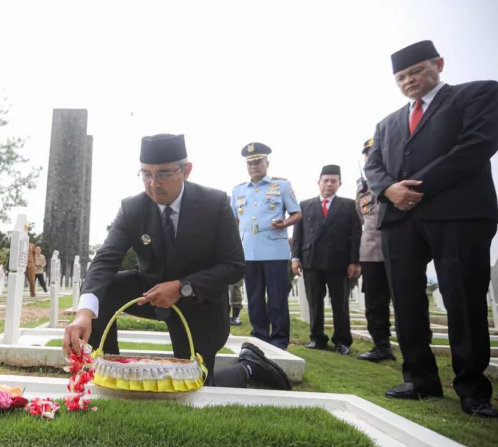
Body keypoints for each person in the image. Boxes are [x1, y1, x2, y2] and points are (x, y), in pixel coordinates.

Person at [62, 133, 291, 390]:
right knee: (106, 290)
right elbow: (105, 260)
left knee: (196, 384)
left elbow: (234, 266)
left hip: (199, 302)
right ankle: (109, 368)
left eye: (163, 174)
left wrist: (182, 286)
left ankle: (249, 367)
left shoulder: (214, 204)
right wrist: (84, 314)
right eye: (146, 174)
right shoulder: (132, 208)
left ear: (186, 170)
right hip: (149, 292)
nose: (153, 183)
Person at [364, 40, 498, 417]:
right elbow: (373, 167)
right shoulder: (387, 123)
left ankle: (473, 389)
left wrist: (413, 188)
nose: (410, 80)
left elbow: (476, 145)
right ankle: (420, 379)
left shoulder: (477, 94)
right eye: (402, 76)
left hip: (458, 213)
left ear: (438, 63)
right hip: (400, 220)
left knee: (463, 299)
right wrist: (388, 190)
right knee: (406, 300)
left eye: (417, 71)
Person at [230, 143, 301, 348]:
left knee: (277, 298)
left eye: (258, 162)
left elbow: (297, 213)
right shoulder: (238, 190)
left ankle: (279, 340)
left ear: (267, 163)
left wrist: (285, 223)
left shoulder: (282, 186)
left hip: (275, 251)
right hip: (249, 251)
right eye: (250, 163)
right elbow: (235, 220)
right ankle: (259, 336)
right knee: (254, 298)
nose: (254, 166)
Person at [291, 165, 362, 355]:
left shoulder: (349, 205)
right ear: (318, 182)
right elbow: (298, 234)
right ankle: (317, 338)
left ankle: (342, 341)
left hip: (338, 261)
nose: (329, 184)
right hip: (311, 260)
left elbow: (356, 235)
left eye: (334, 181)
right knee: (314, 301)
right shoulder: (305, 205)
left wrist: (355, 261)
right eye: (326, 180)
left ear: (340, 183)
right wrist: (295, 258)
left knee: (340, 302)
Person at [356, 139, 395, 362]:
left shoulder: (397, 178)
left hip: (399, 249)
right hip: (371, 253)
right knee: (374, 303)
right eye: (367, 154)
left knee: (406, 301)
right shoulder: (361, 189)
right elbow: (361, 219)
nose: (371, 157)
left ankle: (417, 347)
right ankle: (381, 347)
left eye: (375, 152)